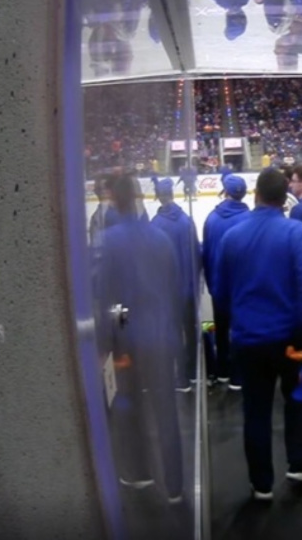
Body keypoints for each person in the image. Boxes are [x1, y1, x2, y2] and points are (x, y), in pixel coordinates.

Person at [214, 168, 302, 500]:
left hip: (248, 341)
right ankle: (300, 464)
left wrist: (238, 322)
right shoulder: (297, 233)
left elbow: (220, 291)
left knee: (256, 411)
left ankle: (261, 484)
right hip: (291, 342)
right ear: (284, 198)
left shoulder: (232, 236)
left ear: (256, 195)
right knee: (298, 398)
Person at [94, 173, 184, 505]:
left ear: (113, 199)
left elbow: (108, 299)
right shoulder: (161, 238)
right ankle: (175, 485)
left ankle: (140, 472)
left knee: (129, 405)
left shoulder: (109, 241)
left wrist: (109, 342)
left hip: (128, 342)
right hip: (161, 337)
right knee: (166, 411)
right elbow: (173, 291)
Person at [149, 178, 202, 392]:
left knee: (172, 332)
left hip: (167, 292)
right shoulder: (186, 221)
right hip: (187, 288)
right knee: (190, 330)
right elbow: (197, 256)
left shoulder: (155, 225)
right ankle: (193, 372)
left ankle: (181, 378)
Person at [202, 174, 250, 390]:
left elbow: (206, 254)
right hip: (243, 287)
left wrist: (211, 282)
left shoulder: (212, 219)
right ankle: (238, 375)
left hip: (218, 285)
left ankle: (222, 370)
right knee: (241, 330)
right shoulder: (250, 219)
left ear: (225, 192)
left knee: (221, 328)